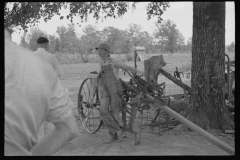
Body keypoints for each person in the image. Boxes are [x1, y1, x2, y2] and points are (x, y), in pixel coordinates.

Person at [4, 29, 79, 156]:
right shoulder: (46, 59)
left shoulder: (31, 54)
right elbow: (59, 74)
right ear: (46, 44)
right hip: (44, 89)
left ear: (37, 44)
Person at [95, 43, 145, 144]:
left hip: (115, 89)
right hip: (105, 88)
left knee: (115, 111)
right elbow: (101, 72)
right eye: (98, 50)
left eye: (100, 50)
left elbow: (126, 67)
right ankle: (117, 130)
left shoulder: (114, 61)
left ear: (106, 51)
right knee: (103, 110)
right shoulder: (101, 61)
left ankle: (113, 135)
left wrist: (138, 71)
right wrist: (97, 80)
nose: (99, 52)